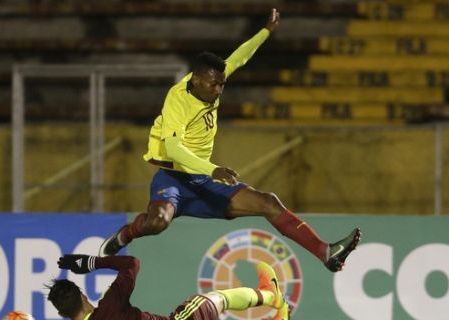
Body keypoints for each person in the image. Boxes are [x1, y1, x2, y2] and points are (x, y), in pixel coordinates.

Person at [99, 8, 361, 272]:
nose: (219, 90)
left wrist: (265, 32)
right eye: (214, 85)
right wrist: (214, 169)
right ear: (197, 79)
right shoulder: (178, 100)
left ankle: (325, 252)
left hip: (204, 180)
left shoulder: (212, 80)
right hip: (174, 179)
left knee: (268, 202)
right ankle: (125, 235)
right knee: (157, 223)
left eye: (222, 85)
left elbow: (239, 57)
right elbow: (174, 149)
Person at [47, 254, 290, 320]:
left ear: (61, 314)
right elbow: (131, 263)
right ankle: (271, 296)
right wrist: (93, 262)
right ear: (82, 294)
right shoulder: (109, 305)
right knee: (214, 300)